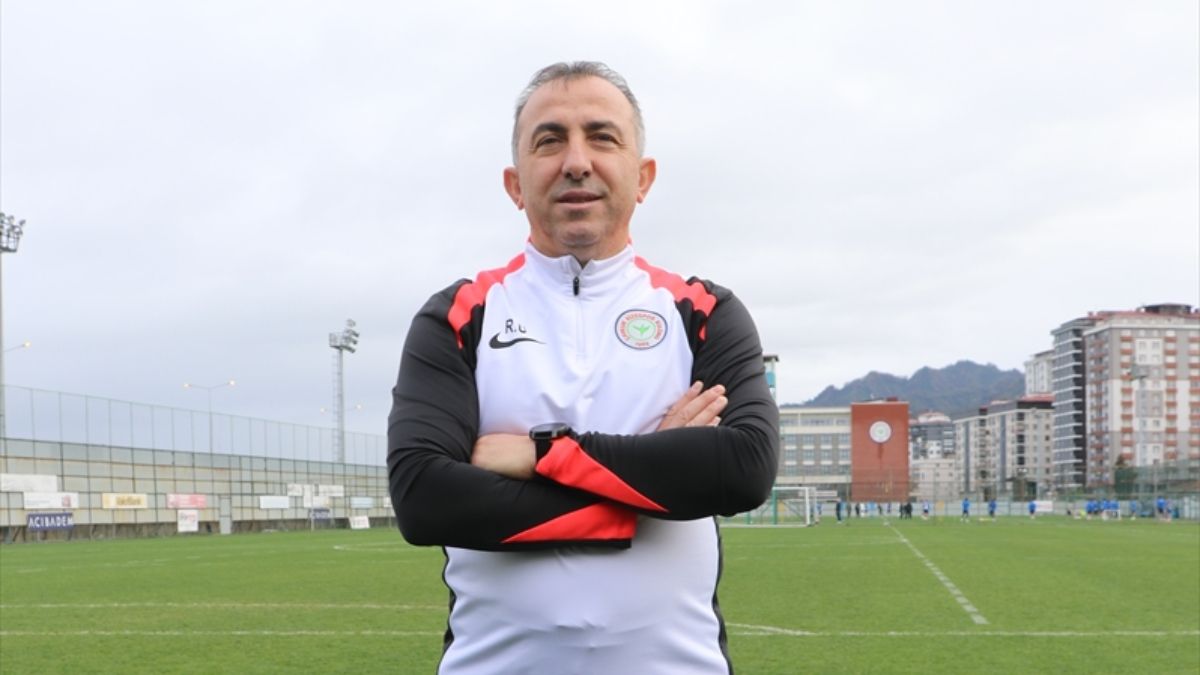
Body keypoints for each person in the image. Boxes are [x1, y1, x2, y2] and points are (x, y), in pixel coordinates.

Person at [386, 61, 779, 674]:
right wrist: (648, 490)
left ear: (642, 177)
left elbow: (744, 468)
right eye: (549, 141)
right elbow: (425, 498)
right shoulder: (458, 316)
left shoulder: (704, 311)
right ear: (515, 185)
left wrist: (540, 454)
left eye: (602, 137)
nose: (576, 161)